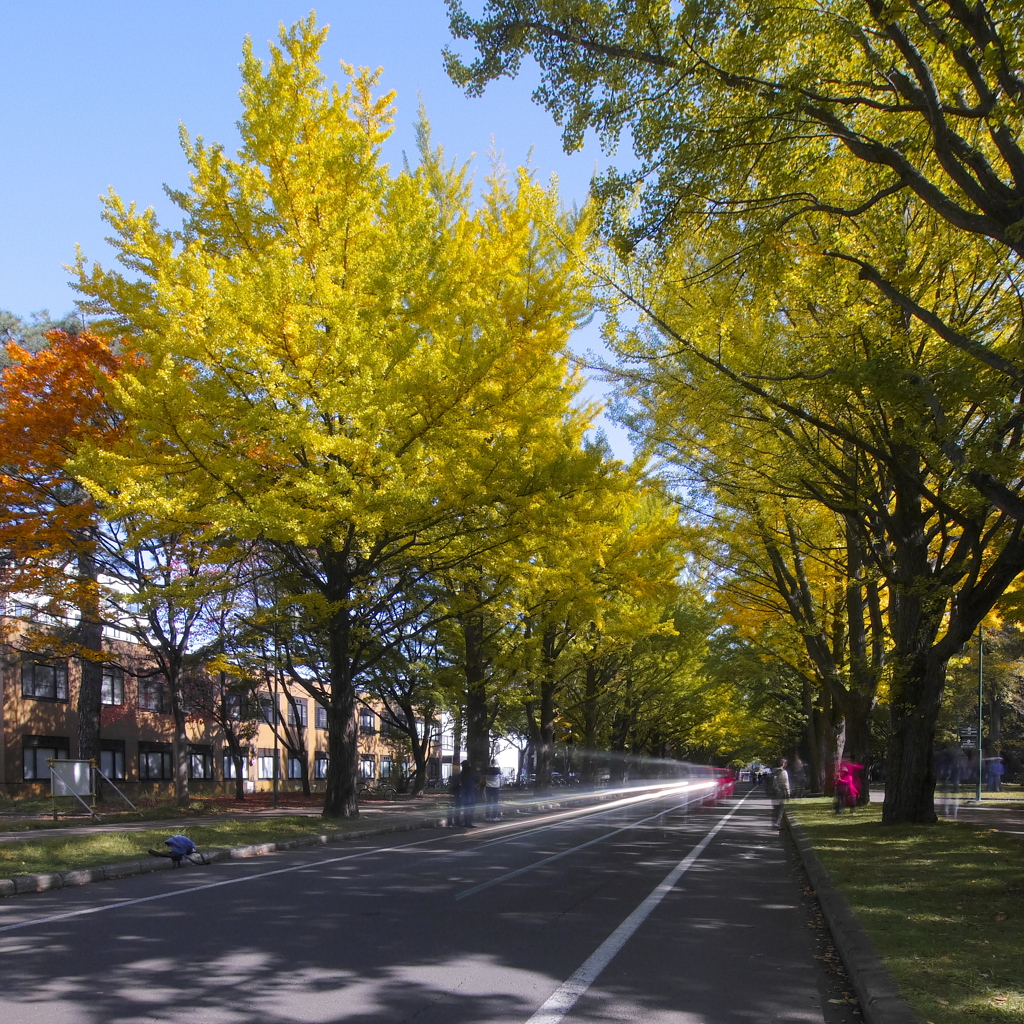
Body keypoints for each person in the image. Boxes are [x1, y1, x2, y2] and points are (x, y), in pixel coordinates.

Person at [770, 758, 790, 827]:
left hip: (773, 791)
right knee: (781, 808)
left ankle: (775, 822)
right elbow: (786, 783)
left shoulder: (773, 771)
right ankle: (777, 823)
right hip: (781, 791)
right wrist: (788, 793)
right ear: (783, 764)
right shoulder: (783, 772)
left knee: (775, 807)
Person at [459, 759, 478, 827]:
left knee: (466, 808)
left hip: (465, 792)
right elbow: (476, 780)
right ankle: (469, 822)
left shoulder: (462, 774)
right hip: (470, 792)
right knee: (471, 808)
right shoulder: (471, 773)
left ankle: (466, 822)